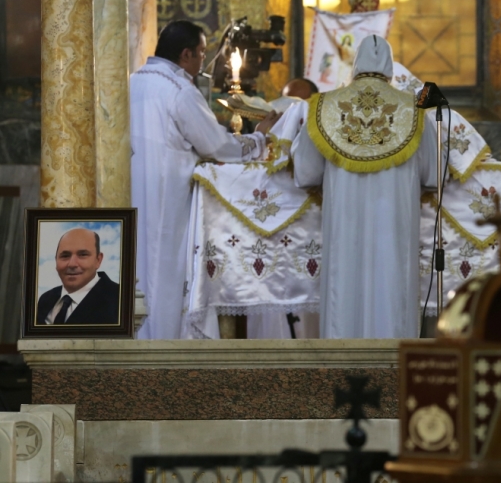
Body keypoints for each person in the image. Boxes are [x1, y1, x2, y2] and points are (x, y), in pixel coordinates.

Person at [289, 35, 439, 338]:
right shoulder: (414, 110)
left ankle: (341, 374)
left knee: (343, 297)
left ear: (354, 66)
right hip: (395, 228)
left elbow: (305, 173)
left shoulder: (324, 109)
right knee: (394, 295)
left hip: (344, 228)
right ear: (390, 68)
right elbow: (434, 176)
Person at [131, 20, 269, 339]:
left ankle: (136, 351)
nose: (203, 61)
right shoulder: (180, 90)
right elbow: (216, 145)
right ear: (186, 54)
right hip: (169, 202)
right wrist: (259, 141)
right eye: (202, 53)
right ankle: (165, 354)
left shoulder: (132, 81)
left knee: (137, 271)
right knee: (165, 275)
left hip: (132, 196)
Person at [36, 228, 120, 325]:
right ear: (56, 260)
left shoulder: (120, 300)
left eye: (83, 255)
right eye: (65, 256)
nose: (72, 264)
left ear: (98, 260)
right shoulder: (46, 299)